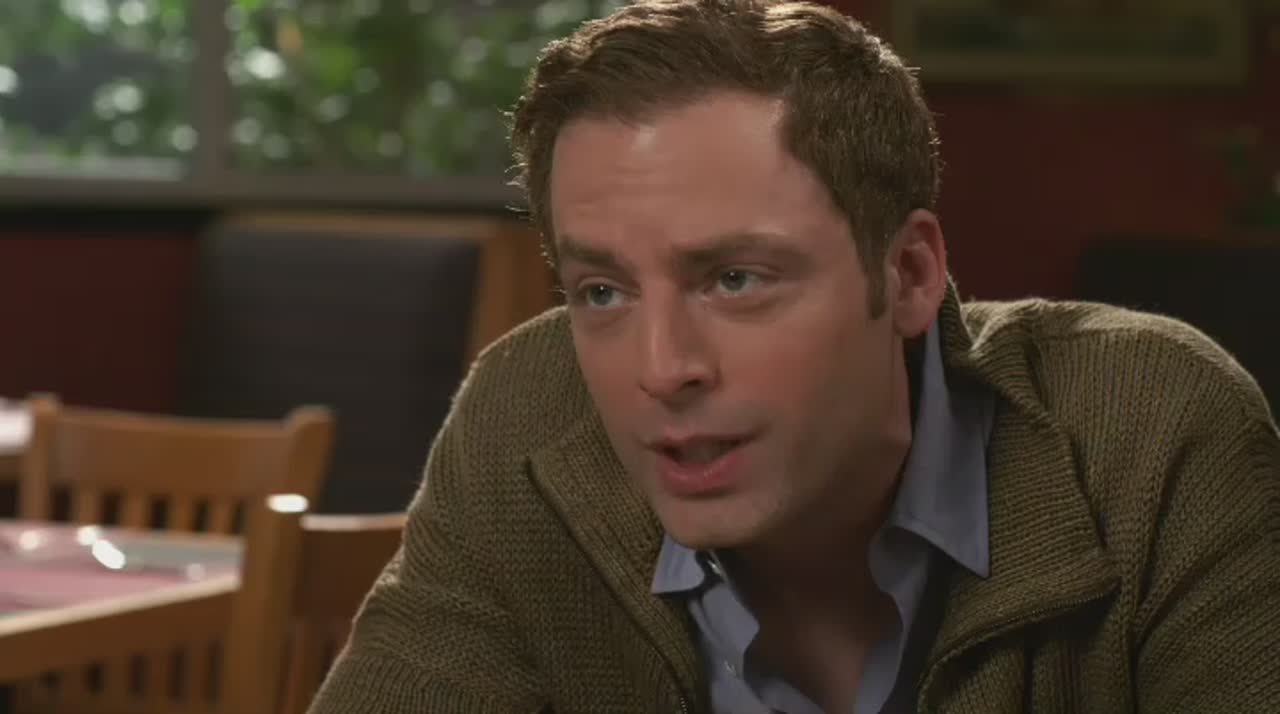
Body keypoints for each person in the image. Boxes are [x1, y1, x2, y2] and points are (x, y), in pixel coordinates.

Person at [308, 1, 1280, 712]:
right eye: (601, 292)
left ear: (907, 273)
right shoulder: (527, 414)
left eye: (735, 279)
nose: (662, 369)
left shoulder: (1149, 431)